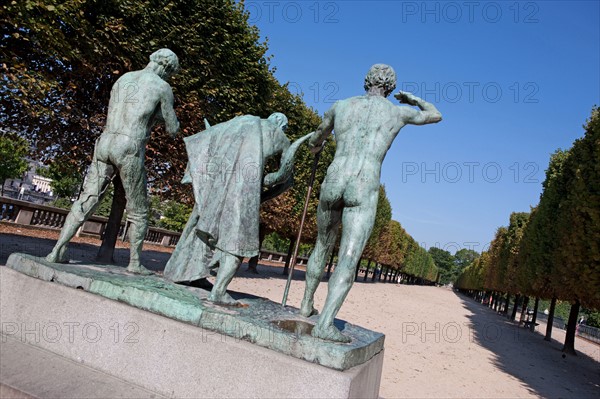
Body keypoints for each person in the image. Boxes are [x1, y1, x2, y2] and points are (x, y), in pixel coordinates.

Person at [300, 64, 442, 342]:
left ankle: (306, 304)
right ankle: (325, 323)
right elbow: (435, 115)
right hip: (363, 185)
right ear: (390, 87)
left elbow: (316, 139)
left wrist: (316, 146)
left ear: (365, 81)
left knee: (321, 245)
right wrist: (412, 99)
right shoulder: (397, 111)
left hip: (334, 178)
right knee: (348, 259)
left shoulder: (340, 106)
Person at [46, 49, 180, 274]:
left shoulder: (123, 79)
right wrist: (160, 116)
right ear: (167, 68)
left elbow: (122, 110)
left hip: (105, 141)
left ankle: (57, 250)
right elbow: (173, 129)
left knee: (87, 199)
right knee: (138, 210)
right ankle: (135, 263)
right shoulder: (162, 87)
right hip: (129, 146)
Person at [163, 113, 313, 305]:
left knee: (200, 227)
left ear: (271, 117)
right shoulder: (281, 138)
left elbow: (207, 141)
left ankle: (187, 273)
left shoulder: (241, 121)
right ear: (281, 124)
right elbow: (283, 178)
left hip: (217, 184)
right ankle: (218, 291)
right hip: (244, 191)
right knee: (238, 242)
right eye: (284, 126)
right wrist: (263, 191)